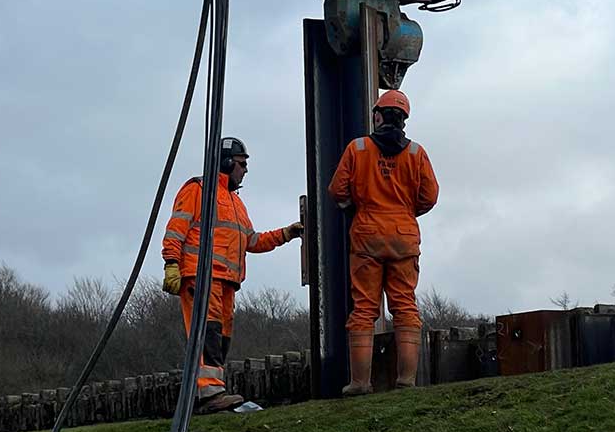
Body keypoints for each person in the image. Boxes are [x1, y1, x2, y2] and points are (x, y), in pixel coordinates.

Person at [161, 137, 304, 413]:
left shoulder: (236, 203)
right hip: (202, 276)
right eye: (242, 164)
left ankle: (208, 393)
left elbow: (251, 241)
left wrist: (286, 234)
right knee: (208, 333)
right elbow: (175, 230)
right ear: (227, 163)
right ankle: (210, 394)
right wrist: (171, 263)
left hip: (227, 281)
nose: (245, 170)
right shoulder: (197, 190)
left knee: (221, 337)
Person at [328, 90, 439, 395]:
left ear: (377, 116)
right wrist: (405, 212)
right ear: (404, 119)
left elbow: (337, 190)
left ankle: (361, 383)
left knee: (364, 308)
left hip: (367, 234)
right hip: (403, 236)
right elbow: (430, 197)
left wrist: (358, 205)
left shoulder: (358, 148)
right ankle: (406, 380)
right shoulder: (417, 153)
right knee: (404, 307)